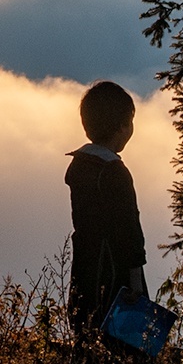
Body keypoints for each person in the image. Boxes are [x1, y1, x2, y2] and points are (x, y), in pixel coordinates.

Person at [65, 80, 149, 332]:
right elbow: (130, 230)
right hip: (116, 271)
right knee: (127, 342)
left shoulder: (79, 165)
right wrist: (136, 284)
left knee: (87, 329)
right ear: (123, 127)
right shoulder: (115, 172)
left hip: (85, 264)